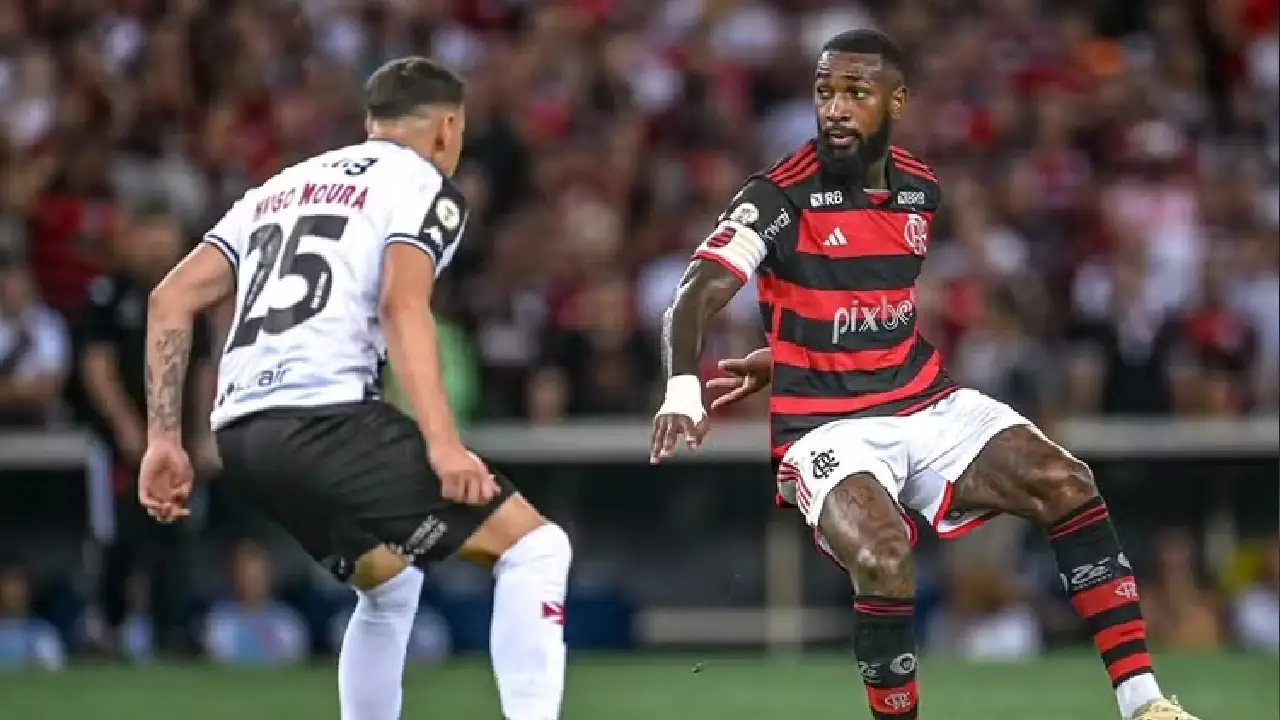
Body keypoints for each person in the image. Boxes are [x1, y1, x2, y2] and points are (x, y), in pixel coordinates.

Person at [649, 29, 1200, 720]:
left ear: (896, 100)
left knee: (1067, 482)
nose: (836, 109)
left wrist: (794, 347)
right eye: (825, 93)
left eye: (856, 93)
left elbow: (877, 305)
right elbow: (697, 289)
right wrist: (682, 387)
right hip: (829, 429)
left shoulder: (919, 191)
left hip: (922, 400)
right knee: (883, 559)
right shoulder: (779, 196)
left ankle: (1144, 706)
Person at [136, 56, 572, 720]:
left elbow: (170, 300)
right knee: (536, 548)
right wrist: (444, 444)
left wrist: (163, 439)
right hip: (325, 415)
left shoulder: (280, 187)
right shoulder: (423, 183)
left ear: (372, 123)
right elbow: (404, 306)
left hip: (242, 434)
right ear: (448, 128)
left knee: (390, 585)